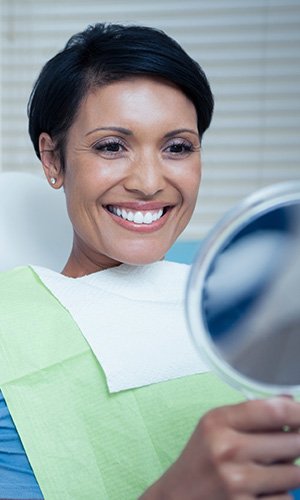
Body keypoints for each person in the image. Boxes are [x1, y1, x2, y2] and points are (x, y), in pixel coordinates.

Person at [0, 22, 300, 500]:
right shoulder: (10, 328)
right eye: (111, 146)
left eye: (177, 147)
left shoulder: (252, 294)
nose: (148, 182)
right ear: (52, 160)